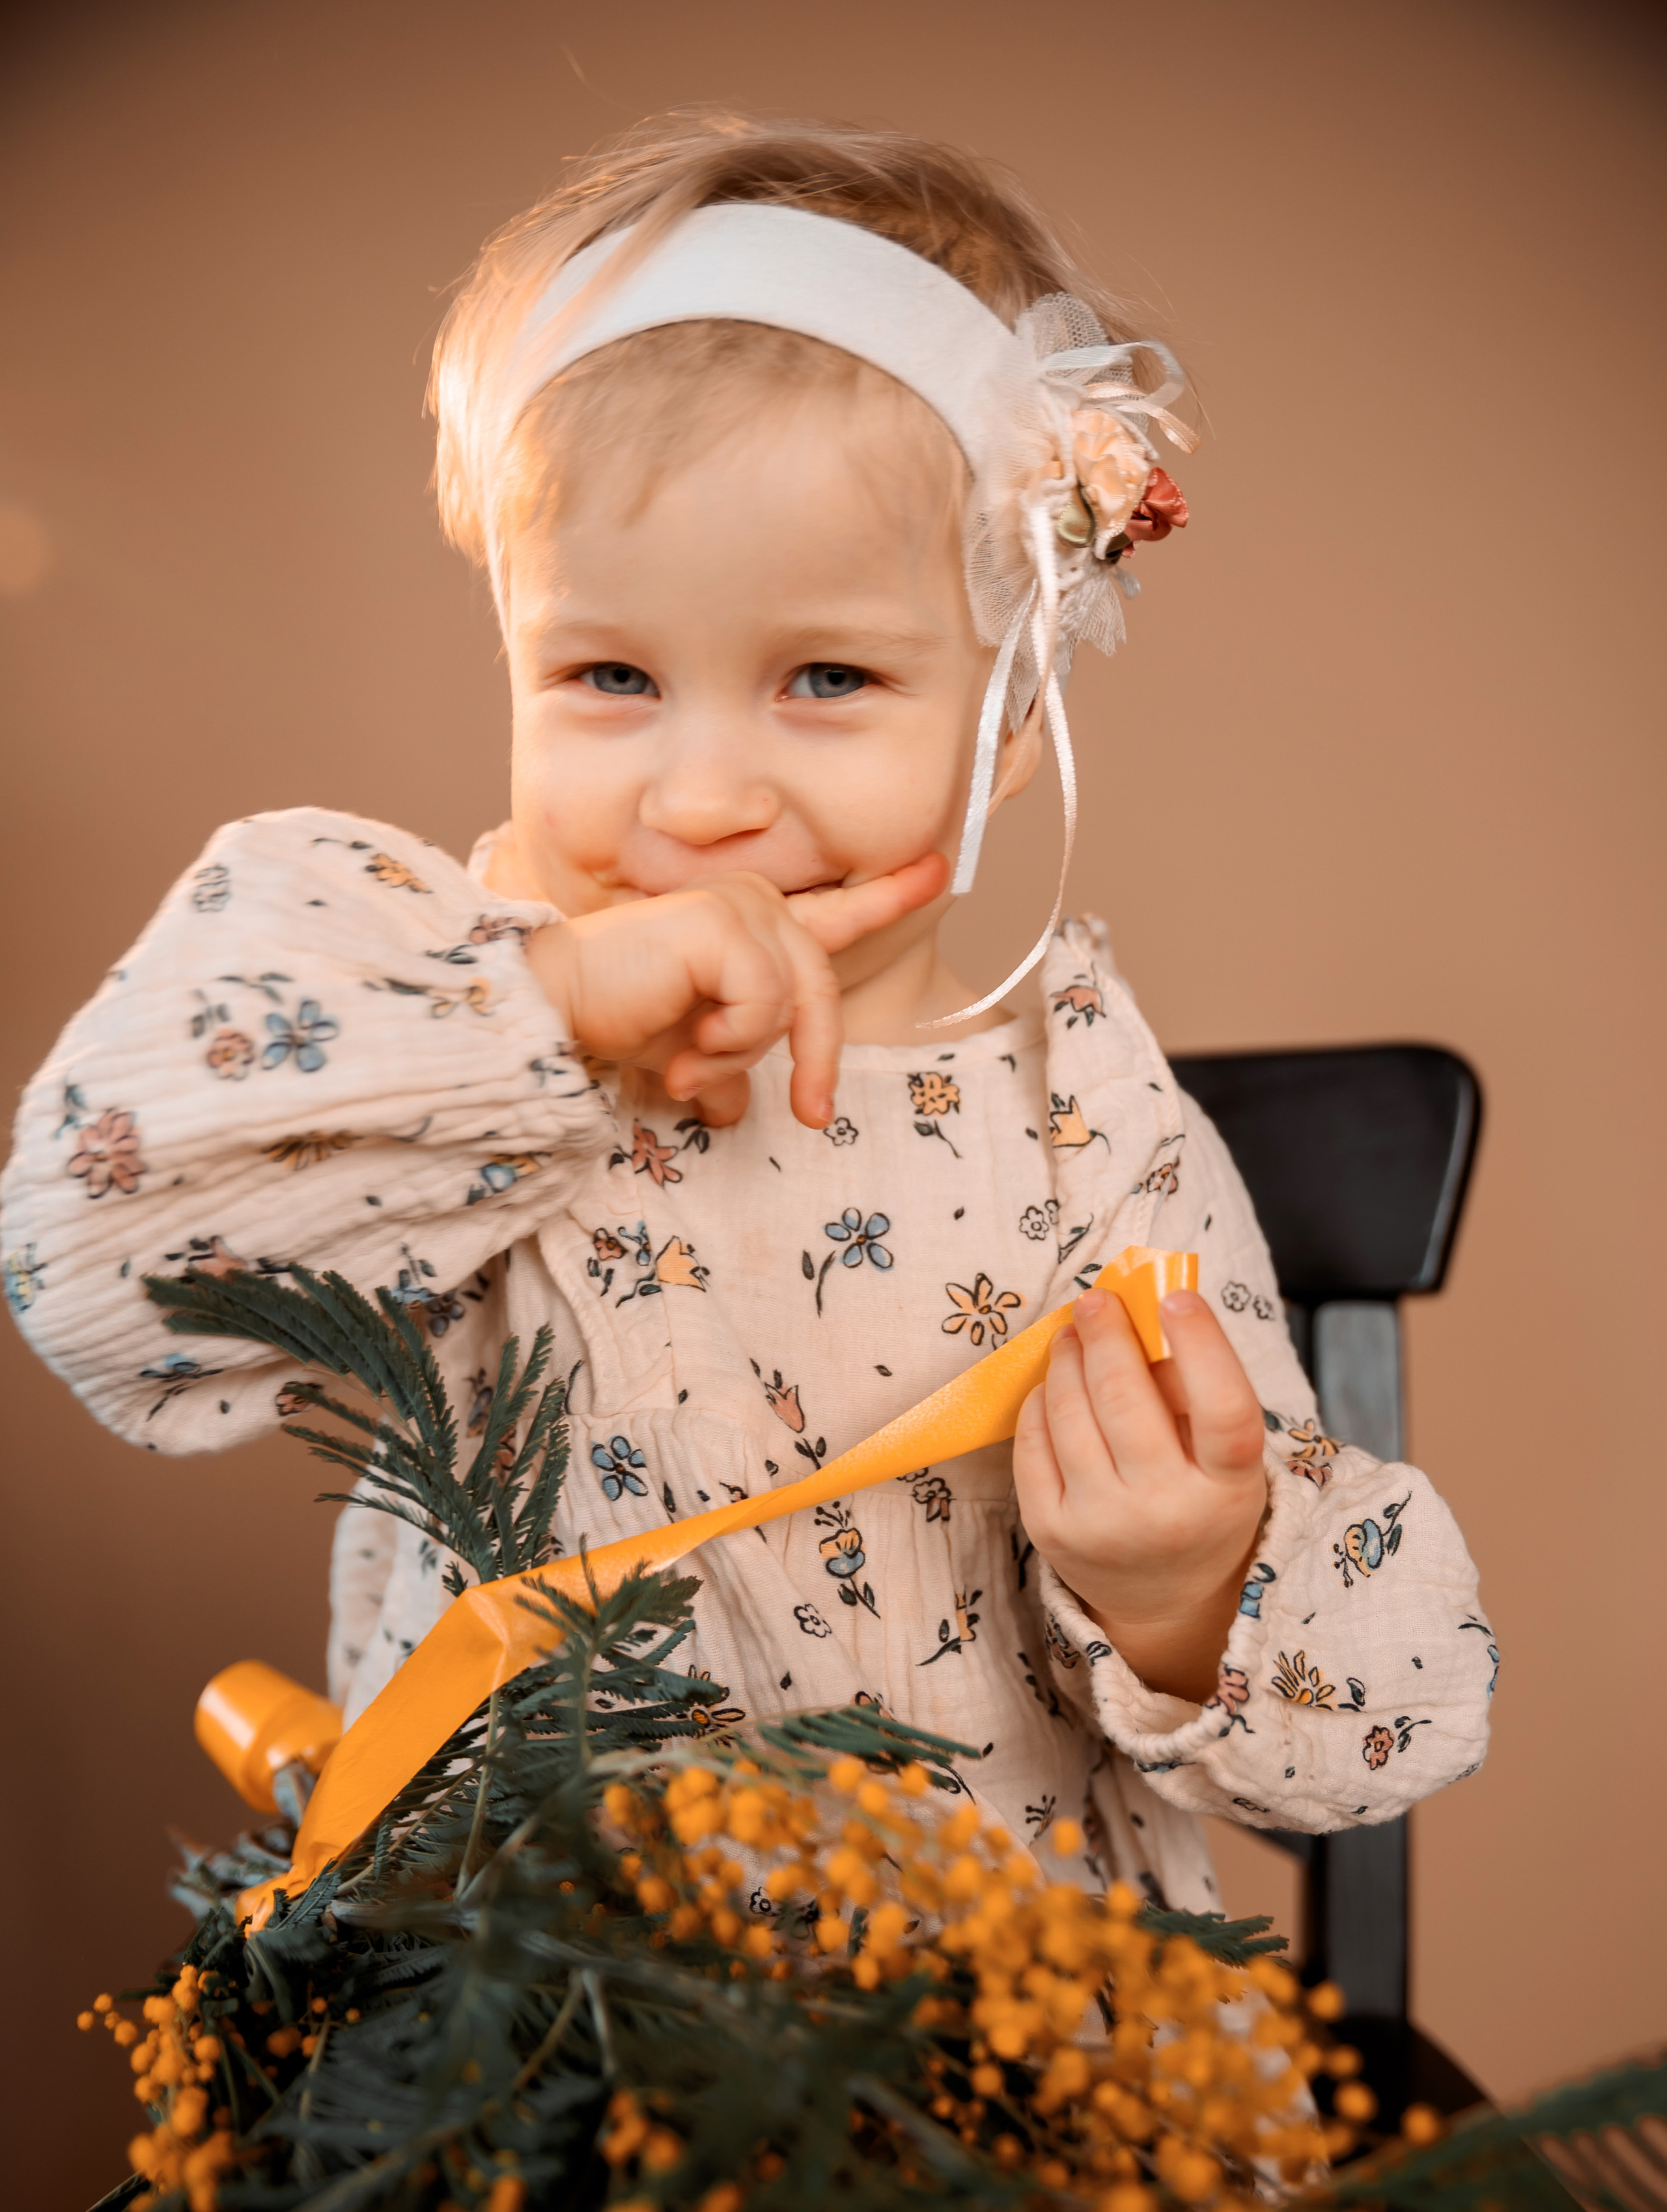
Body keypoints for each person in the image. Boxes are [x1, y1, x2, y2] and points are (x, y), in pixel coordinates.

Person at [0, 115, 1494, 1918]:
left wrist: (1188, 1584)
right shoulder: (417, 1039)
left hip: (972, 2059)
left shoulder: (1084, 1123)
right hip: (517, 2050)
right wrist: (542, 1009)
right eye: (610, 675)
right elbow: (85, 1265)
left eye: (828, 678)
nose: (702, 795)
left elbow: (1394, 1724)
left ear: (1014, 717)